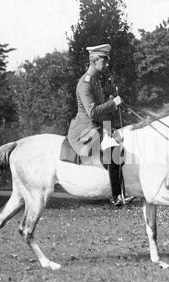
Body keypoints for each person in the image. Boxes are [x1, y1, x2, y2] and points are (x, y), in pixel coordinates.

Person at [67, 44, 133, 207]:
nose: (107, 64)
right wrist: (112, 103)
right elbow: (93, 112)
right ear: (94, 60)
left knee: (120, 144)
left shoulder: (95, 82)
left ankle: (120, 193)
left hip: (95, 128)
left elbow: (101, 115)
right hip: (83, 130)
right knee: (114, 152)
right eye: (104, 60)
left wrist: (112, 130)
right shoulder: (85, 83)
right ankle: (117, 196)